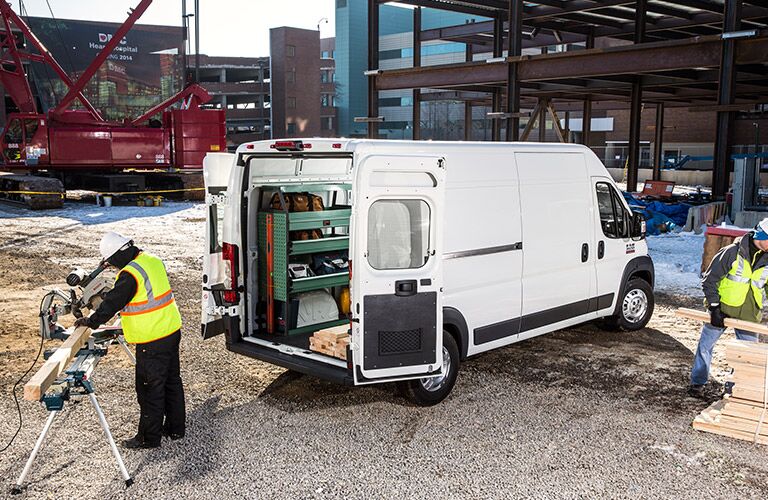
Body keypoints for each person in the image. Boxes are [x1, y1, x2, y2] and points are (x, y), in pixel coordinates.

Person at [75, 232, 185, 448]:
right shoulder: (151, 260)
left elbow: (113, 303)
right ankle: (175, 429)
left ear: (117, 255)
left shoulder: (130, 274)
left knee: (149, 388)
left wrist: (92, 321)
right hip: (170, 330)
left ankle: (148, 438)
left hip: (152, 338)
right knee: (172, 381)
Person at [688, 219, 768, 398]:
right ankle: (697, 384)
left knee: (746, 355)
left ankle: (734, 389)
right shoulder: (732, 252)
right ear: (762, 236)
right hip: (722, 310)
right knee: (705, 347)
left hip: (749, 313)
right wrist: (714, 307)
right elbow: (710, 280)